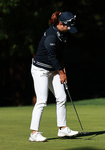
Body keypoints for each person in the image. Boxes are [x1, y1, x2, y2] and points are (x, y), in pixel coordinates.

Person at [29, 11, 79, 142]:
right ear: (61, 24)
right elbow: (51, 56)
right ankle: (34, 133)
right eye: (68, 26)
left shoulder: (63, 34)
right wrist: (60, 72)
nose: (69, 29)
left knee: (62, 97)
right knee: (42, 100)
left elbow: (59, 54)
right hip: (40, 70)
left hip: (53, 69)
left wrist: (62, 69)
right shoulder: (51, 35)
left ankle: (62, 129)